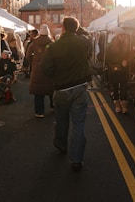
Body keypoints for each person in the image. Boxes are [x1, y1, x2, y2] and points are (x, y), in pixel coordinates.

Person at [41, 16, 92, 172]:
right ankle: (77, 159)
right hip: (79, 88)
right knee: (79, 124)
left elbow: (46, 68)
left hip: (61, 88)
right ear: (75, 29)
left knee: (61, 120)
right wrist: (78, 29)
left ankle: (61, 144)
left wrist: (56, 77)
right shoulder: (82, 43)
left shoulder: (54, 47)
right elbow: (87, 36)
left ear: (63, 28)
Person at [26, 24, 54, 118]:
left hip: (37, 70)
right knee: (52, 89)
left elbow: (28, 56)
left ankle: (39, 112)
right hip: (49, 70)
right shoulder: (52, 44)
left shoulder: (34, 44)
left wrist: (33, 63)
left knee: (38, 92)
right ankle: (53, 106)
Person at [105, 29, 130, 114]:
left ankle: (123, 104)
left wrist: (127, 60)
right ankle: (117, 104)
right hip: (115, 69)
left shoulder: (127, 45)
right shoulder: (112, 46)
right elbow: (108, 58)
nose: (123, 37)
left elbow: (130, 55)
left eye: (124, 35)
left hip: (124, 70)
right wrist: (120, 62)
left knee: (124, 87)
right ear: (118, 36)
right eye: (121, 35)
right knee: (115, 87)